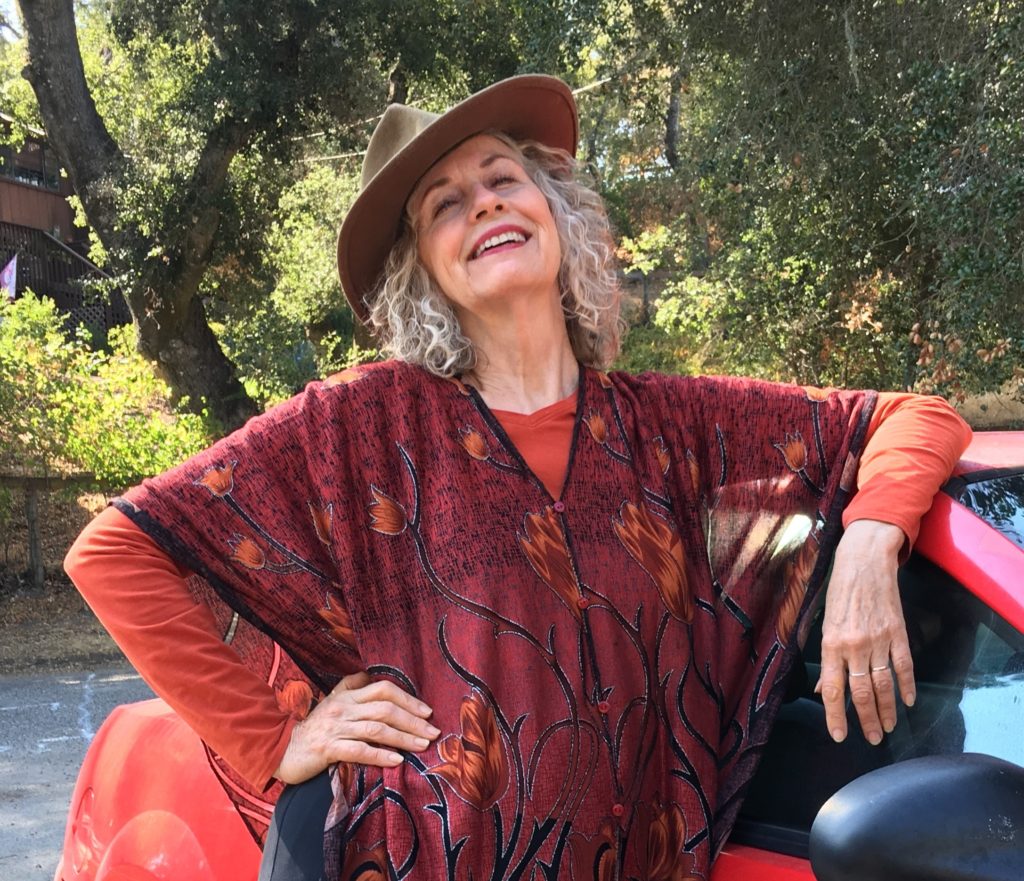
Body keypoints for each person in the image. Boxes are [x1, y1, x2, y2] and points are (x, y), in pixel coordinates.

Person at [65, 75, 971, 881]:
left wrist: (869, 540)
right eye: (445, 204)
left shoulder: (677, 427)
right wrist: (276, 739)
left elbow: (913, 418)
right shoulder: (358, 422)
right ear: (421, 266)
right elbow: (114, 552)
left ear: (554, 210)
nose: (485, 204)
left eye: (505, 178)